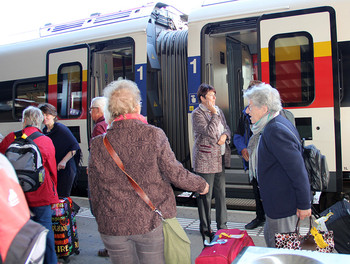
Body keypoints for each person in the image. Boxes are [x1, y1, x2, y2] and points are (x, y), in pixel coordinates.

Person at [88, 79, 209, 264]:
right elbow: (174, 172)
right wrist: (201, 185)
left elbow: (94, 190)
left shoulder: (98, 143)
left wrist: (103, 216)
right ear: (136, 106)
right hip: (148, 221)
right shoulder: (153, 134)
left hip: (112, 225)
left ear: (109, 111)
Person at [244, 83, 312, 247]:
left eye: (251, 106)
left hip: (282, 207)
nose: (247, 111)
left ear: (264, 108)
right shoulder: (277, 122)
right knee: (274, 243)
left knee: (282, 252)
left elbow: (297, 170)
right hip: (277, 206)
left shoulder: (274, 130)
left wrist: (304, 204)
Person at [0, 106, 59, 264]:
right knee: (45, 233)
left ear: (24, 121)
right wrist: (54, 197)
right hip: (41, 195)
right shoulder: (45, 140)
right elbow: (52, 171)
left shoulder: (10, 138)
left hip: (17, 197)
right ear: (40, 122)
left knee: (18, 233)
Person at [192, 83, 231, 243]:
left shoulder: (219, 111)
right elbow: (208, 132)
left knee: (221, 194)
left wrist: (225, 136)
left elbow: (227, 128)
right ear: (202, 98)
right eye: (211, 96)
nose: (214, 98)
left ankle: (222, 226)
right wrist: (214, 114)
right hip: (205, 161)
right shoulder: (197, 114)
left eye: (215, 95)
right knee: (205, 196)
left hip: (220, 158)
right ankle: (206, 227)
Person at [233, 80, 266, 230]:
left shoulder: (268, 112)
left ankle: (270, 217)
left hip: (265, 160)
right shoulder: (245, 114)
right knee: (256, 189)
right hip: (251, 161)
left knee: (268, 190)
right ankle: (260, 217)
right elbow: (237, 135)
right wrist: (242, 149)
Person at [38, 103, 81, 198]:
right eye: (42, 115)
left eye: (47, 115)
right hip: (55, 169)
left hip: (65, 168)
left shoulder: (61, 129)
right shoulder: (44, 131)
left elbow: (74, 147)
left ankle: (68, 212)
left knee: (62, 196)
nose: (45, 117)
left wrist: (63, 161)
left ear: (53, 115)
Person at [89, 96, 109, 258]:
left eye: (91, 109)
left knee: (102, 212)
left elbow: (99, 153)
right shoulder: (110, 123)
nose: (90, 113)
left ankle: (109, 248)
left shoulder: (99, 127)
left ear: (98, 110)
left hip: (103, 176)